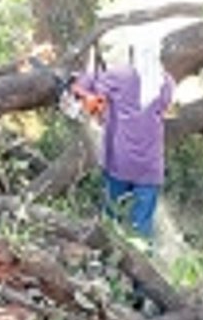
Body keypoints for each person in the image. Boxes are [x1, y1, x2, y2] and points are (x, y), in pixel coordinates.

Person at [69, 42, 175, 243]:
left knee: (111, 220)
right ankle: (142, 267)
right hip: (150, 167)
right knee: (141, 229)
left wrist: (81, 82)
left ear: (133, 55)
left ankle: (105, 260)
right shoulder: (166, 82)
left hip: (120, 162)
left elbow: (87, 85)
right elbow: (164, 106)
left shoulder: (120, 76)